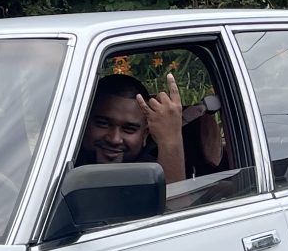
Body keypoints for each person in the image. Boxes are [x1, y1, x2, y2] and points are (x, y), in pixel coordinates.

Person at [78, 71, 225, 184]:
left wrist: (170, 140)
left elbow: (175, 209)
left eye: (129, 129)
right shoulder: (64, 157)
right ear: (83, 123)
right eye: (103, 123)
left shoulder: (152, 176)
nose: (114, 139)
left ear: (145, 135)